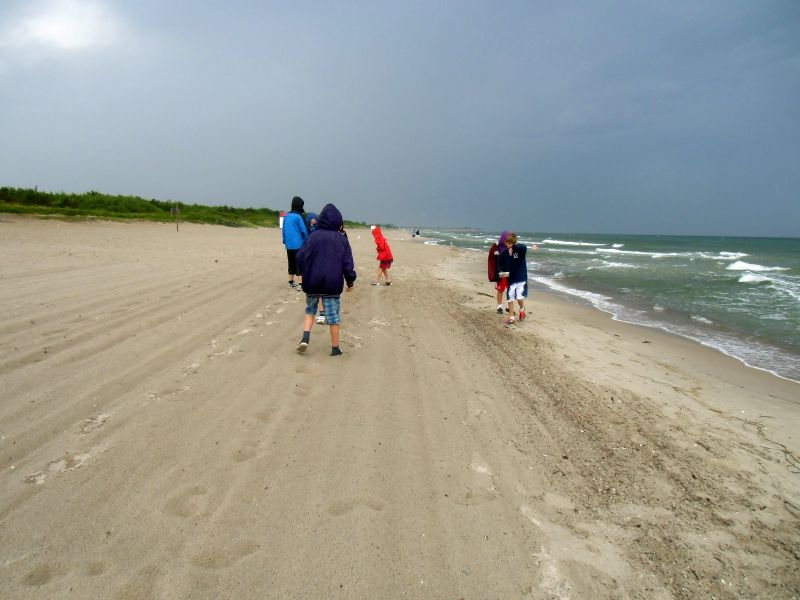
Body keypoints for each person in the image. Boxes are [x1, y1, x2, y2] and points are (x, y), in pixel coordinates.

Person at [295, 203, 356, 356]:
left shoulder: (313, 236)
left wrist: (303, 273)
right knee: (333, 318)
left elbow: (300, 256)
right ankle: (335, 348)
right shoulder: (341, 240)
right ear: (338, 222)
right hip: (332, 284)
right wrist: (350, 281)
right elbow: (348, 264)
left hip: (312, 282)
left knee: (310, 310)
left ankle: (305, 336)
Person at [501, 233, 528, 325]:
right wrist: (501, 274)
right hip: (511, 280)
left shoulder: (520, 250)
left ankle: (522, 308)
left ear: (514, 243)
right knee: (510, 298)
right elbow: (503, 266)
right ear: (505, 242)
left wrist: (514, 247)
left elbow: (524, 247)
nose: (509, 245)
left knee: (519, 298)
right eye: (508, 243)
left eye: (511, 243)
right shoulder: (504, 253)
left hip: (521, 278)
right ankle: (511, 317)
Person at [282, 196, 308, 288]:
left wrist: (284, 241)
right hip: (298, 244)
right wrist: (306, 240)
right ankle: (300, 284)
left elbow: (283, 230)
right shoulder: (299, 216)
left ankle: (290, 281)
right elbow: (304, 231)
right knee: (299, 263)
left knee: (291, 262)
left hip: (289, 245)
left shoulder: (286, 216)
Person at [488, 230, 510, 314]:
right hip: (500, 273)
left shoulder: (511, 247)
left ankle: (509, 307)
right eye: (506, 239)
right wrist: (494, 244)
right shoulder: (496, 247)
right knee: (500, 290)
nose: (507, 241)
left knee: (510, 290)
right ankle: (499, 307)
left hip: (509, 272)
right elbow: (491, 257)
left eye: (508, 240)